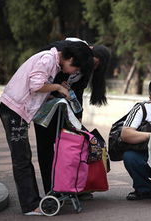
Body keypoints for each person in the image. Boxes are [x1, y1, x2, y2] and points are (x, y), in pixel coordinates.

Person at [0, 41, 94, 215]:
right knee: (22, 159)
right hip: (13, 110)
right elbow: (35, 86)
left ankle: (32, 202)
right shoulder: (47, 59)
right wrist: (57, 86)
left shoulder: (54, 64)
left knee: (24, 157)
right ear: (70, 59)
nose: (75, 73)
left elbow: (37, 88)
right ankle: (30, 205)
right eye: (76, 69)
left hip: (17, 110)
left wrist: (55, 91)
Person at [34, 38, 111, 197]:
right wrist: (56, 90)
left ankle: (74, 186)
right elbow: (39, 80)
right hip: (45, 105)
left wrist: (78, 119)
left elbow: (78, 94)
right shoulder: (67, 53)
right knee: (46, 147)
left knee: (74, 146)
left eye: (96, 67)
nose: (90, 68)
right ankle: (51, 190)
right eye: (92, 63)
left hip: (66, 106)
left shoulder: (86, 68)